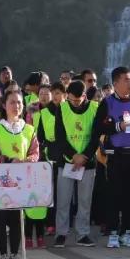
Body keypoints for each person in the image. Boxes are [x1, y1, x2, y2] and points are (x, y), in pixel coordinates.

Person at [96, 66, 130, 249]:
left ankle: (126, 232)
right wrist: (118, 126)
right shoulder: (107, 103)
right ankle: (113, 233)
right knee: (115, 195)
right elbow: (99, 128)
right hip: (116, 156)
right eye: (126, 80)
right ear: (115, 83)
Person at [0, 90, 40, 259]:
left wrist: (29, 160)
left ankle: (15, 255)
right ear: (4, 105)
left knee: (17, 219)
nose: (16, 106)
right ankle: (3, 255)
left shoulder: (29, 129)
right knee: (1, 218)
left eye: (19, 103)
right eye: (12, 102)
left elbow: (34, 152)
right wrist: (9, 160)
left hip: (21, 181)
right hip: (2, 180)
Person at [50, 80, 100, 248]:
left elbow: (96, 136)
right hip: (67, 162)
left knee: (85, 200)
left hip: (88, 162)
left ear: (84, 96)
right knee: (63, 199)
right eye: (71, 100)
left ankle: (83, 233)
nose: (74, 103)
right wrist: (74, 156)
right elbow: (59, 136)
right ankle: (61, 233)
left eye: (78, 101)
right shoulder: (62, 108)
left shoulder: (94, 107)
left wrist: (84, 155)